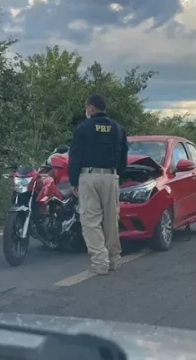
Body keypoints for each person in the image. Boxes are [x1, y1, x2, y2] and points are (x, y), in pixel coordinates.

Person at [68, 94, 128, 275]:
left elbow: (75, 156)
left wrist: (73, 180)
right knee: (111, 219)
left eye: (86, 107)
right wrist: (118, 175)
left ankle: (100, 262)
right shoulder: (117, 128)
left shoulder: (83, 128)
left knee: (90, 220)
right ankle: (113, 260)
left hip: (89, 175)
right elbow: (123, 155)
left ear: (91, 108)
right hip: (111, 176)